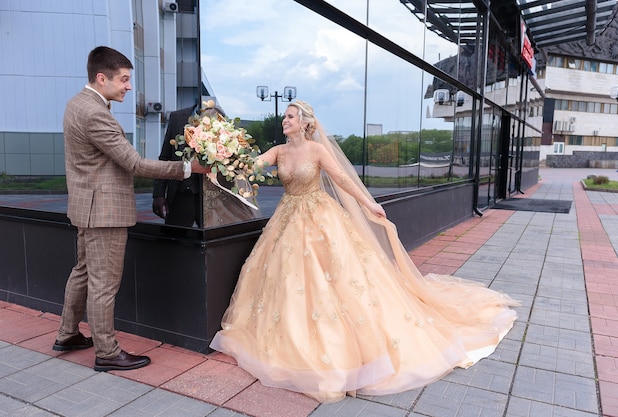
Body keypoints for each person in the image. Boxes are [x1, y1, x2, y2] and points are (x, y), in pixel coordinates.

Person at [209, 100, 519, 403]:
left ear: (305, 122)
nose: (285, 121)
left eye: (290, 116)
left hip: (320, 218)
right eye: (285, 117)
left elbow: (342, 179)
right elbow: (249, 167)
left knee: (336, 276)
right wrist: (218, 153)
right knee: (289, 278)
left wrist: (369, 203)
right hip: (287, 219)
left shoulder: (317, 150)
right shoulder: (278, 151)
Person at [53, 46, 208, 372]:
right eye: (123, 80)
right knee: (103, 284)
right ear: (101, 77)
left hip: (87, 208)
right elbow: (134, 162)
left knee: (82, 272)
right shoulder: (94, 113)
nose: (128, 86)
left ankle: (67, 334)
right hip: (103, 213)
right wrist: (187, 169)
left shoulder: (76, 104)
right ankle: (107, 352)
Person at [152, 101, 260, 227]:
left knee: (215, 239)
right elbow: (165, 157)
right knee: (175, 240)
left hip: (215, 198)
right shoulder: (177, 117)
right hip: (181, 194)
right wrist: (158, 193)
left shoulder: (223, 119)